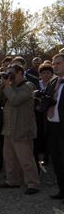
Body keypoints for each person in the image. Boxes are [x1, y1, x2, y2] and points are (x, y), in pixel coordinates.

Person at [0, 63, 40, 195]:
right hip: (8, 128)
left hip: (22, 128)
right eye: (8, 73)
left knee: (26, 159)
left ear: (20, 73)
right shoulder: (10, 86)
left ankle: (33, 183)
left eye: (12, 73)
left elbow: (15, 100)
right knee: (9, 158)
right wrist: (2, 83)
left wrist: (7, 86)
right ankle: (12, 180)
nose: (10, 76)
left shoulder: (28, 86)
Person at [45, 54, 63, 200]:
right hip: (52, 126)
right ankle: (62, 190)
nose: (55, 66)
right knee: (56, 160)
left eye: (58, 63)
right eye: (53, 63)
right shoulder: (52, 82)